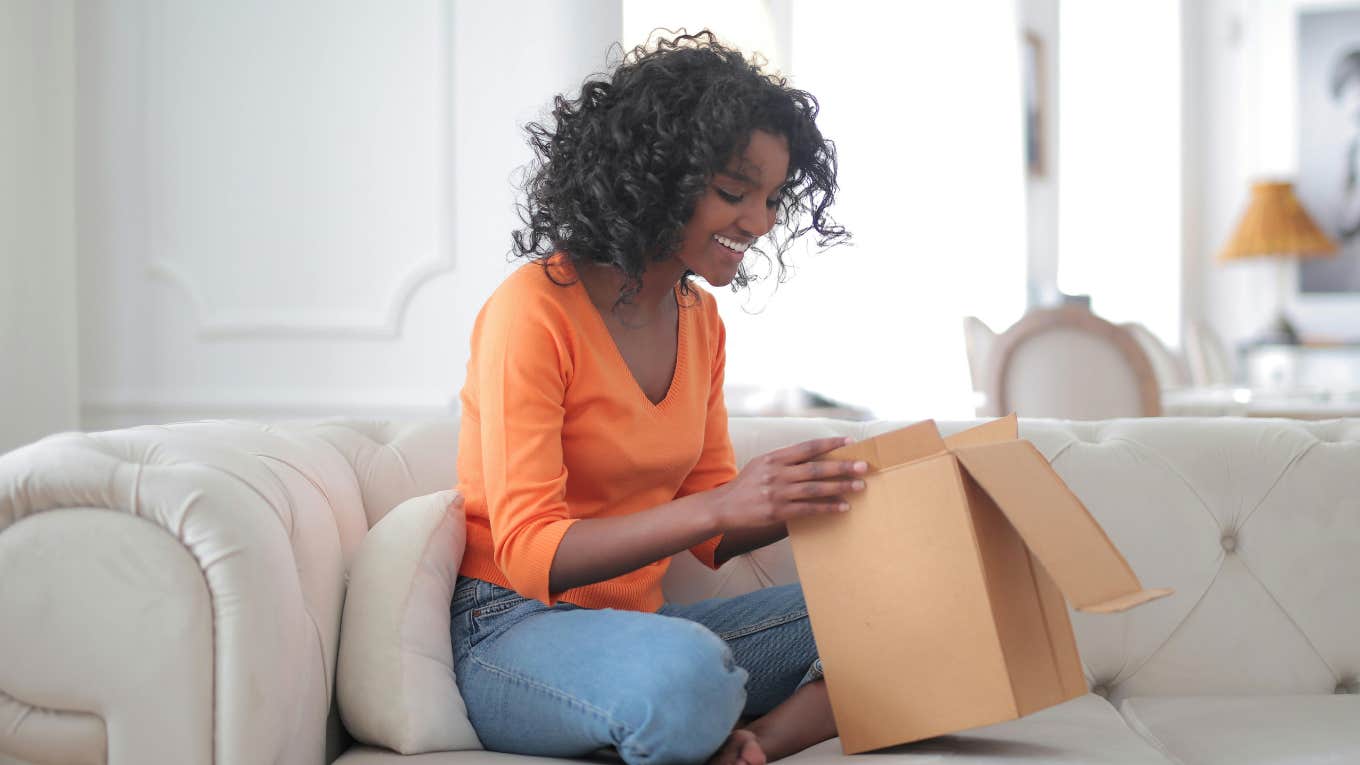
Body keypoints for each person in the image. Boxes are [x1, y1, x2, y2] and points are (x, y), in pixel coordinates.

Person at [451, 30, 852, 765]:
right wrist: (723, 505)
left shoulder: (701, 323)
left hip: (650, 629)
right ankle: (693, 712)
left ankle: (750, 744)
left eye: (769, 198)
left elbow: (710, 526)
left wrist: (805, 494)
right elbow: (531, 551)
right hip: (511, 630)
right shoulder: (532, 311)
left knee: (896, 603)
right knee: (687, 672)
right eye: (735, 192)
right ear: (658, 176)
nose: (759, 222)